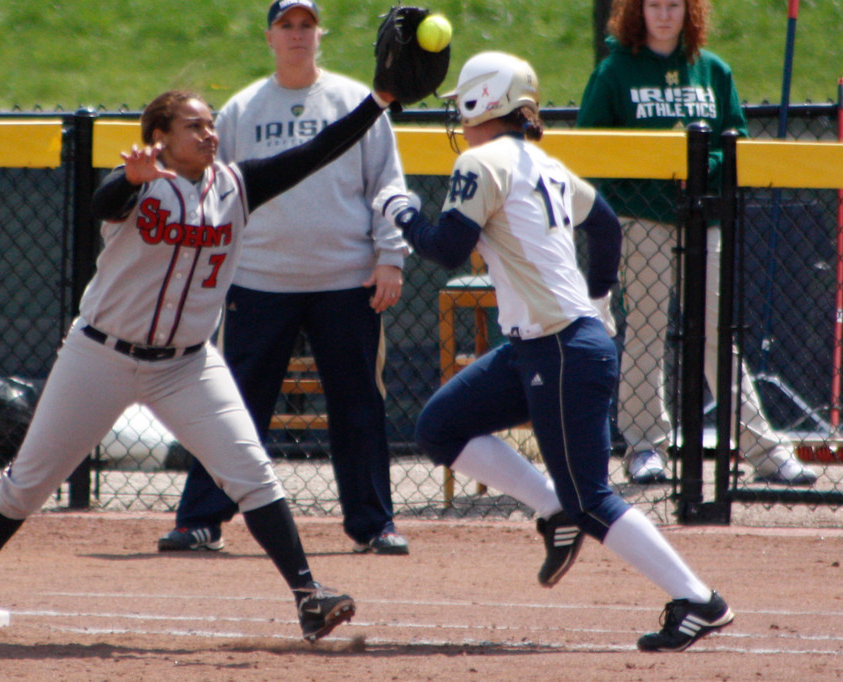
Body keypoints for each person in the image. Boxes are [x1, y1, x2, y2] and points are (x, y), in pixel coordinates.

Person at [0, 76, 403, 642]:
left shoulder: (236, 185)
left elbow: (314, 151)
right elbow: (105, 202)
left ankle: (308, 596)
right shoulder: (137, 186)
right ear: (159, 137)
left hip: (187, 365)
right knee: (27, 485)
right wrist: (130, 178)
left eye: (211, 125)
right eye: (194, 126)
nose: (210, 134)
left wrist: (378, 102)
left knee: (253, 473)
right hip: (100, 356)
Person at [373, 51, 733, 652]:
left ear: (480, 101)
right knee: (440, 428)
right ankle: (551, 509)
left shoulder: (482, 160)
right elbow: (608, 226)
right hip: (544, 345)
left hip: (561, 348)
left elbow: (444, 248)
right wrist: (598, 293)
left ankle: (699, 599)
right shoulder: (544, 161)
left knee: (592, 499)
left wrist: (399, 209)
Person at [156, 0, 410, 557]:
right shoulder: (243, 109)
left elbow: (388, 186)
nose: (297, 35)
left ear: (321, 35)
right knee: (231, 406)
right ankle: (202, 518)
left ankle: (374, 524)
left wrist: (389, 256)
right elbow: (215, 194)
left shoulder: (355, 103)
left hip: (346, 279)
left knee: (358, 405)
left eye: (306, 26)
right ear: (269, 37)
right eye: (286, 25)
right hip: (259, 280)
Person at [576, 0, 817, 486]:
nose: (664, 15)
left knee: (716, 336)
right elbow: (591, 145)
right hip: (641, 218)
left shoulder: (713, 71)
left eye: (674, 5)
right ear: (637, 11)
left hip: (703, 219)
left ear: (690, 12)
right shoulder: (614, 71)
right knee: (644, 333)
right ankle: (645, 447)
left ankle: (763, 451)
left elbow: (736, 142)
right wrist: (657, 172)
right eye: (654, 5)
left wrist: (698, 170)